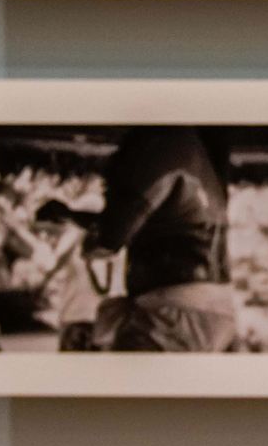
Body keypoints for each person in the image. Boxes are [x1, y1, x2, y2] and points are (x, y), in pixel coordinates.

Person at [38, 126, 238, 352]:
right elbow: (155, 224)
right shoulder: (193, 151)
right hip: (207, 311)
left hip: (172, 316)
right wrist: (72, 216)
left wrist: (91, 238)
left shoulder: (160, 143)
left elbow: (108, 240)